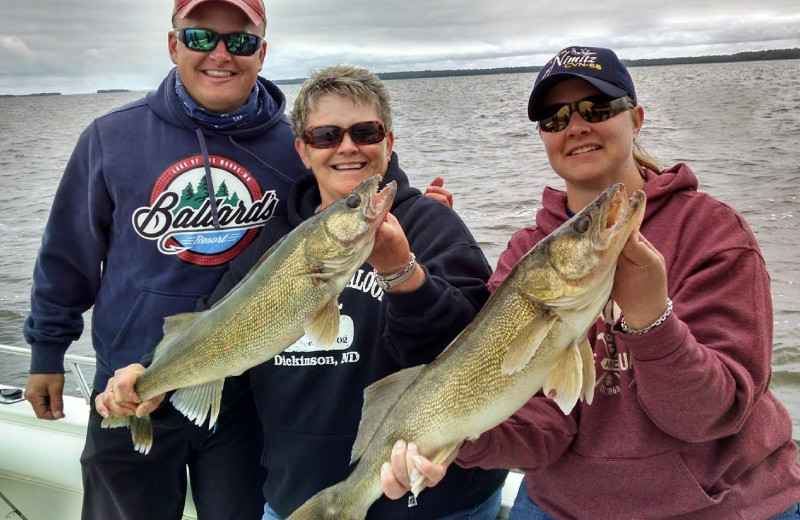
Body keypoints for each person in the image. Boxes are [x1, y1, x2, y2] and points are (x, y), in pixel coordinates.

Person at [381, 46, 800, 519]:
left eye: (597, 109)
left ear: (636, 118)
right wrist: (456, 442)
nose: (575, 126)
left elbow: (709, 418)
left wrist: (651, 321)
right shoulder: (526, 254)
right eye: (554, 118)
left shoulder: (714, 234)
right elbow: (545, 426)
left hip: (722, 506)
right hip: (565, 506)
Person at [101, 63, 509, 519]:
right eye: (326, 135)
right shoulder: (272, 240)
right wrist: (149, 382)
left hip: (432, 503)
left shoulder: (434, 227)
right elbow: (214, 333)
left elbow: (477, 358)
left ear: (389, 141)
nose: (348, 147)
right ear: (303, 149)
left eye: (366, 132)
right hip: (299, 501)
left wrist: (402, 275)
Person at [22, 1, 311, 519]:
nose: (221, 54)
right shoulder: (111, 138)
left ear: (262, 53)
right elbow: (68, 257)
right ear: (173, 44)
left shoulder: (298, 149)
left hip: (246, 397)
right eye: (201, 38)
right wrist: (48, 352)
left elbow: (352, 199)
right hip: (130, 387)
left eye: (240, 42)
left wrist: (417, 212)